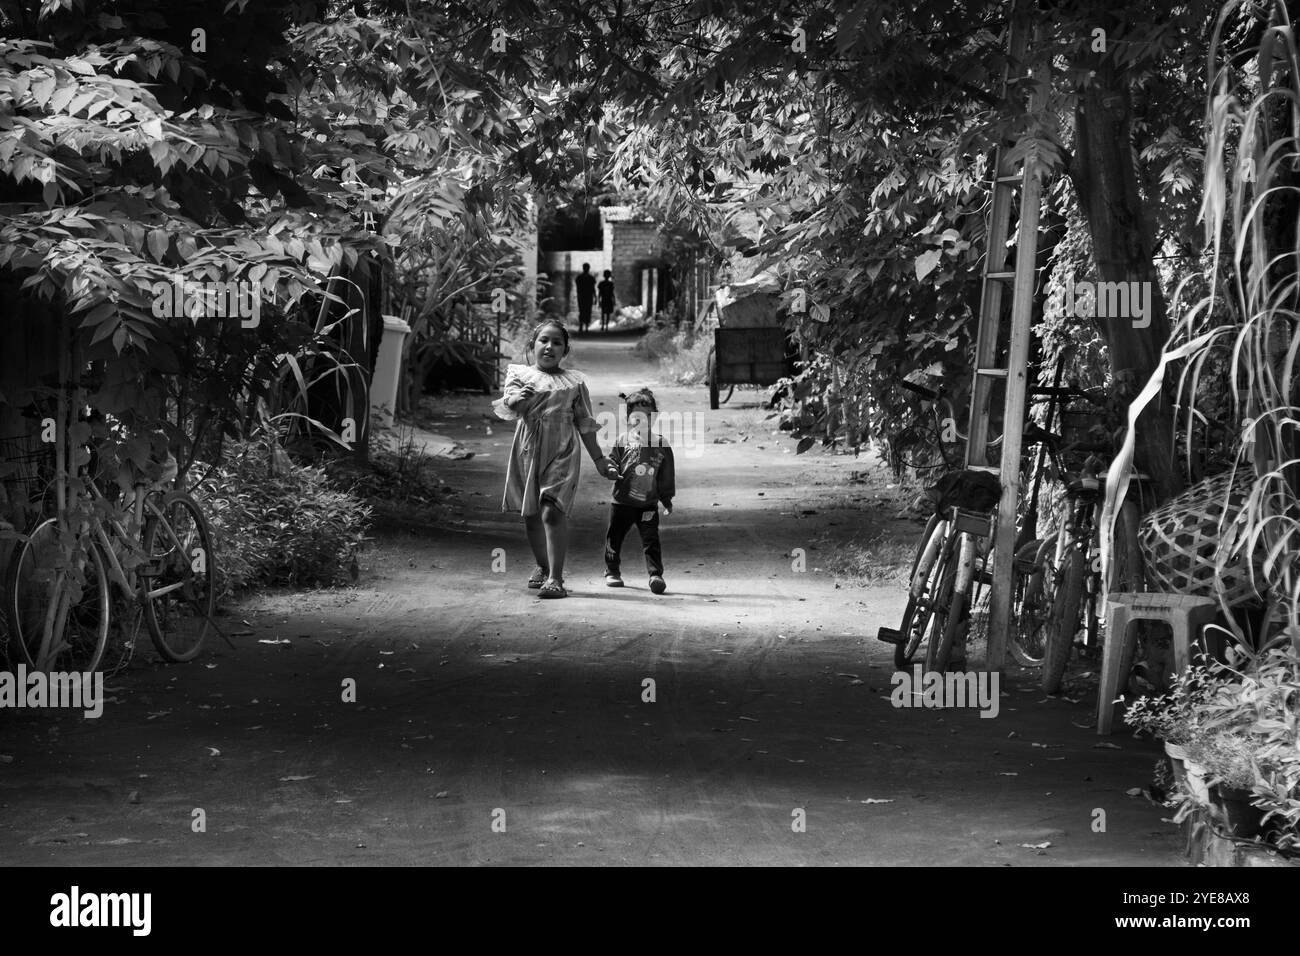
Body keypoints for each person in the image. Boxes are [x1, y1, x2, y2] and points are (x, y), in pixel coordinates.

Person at [493, 320, 617, 599]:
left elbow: (584, 423)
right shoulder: (518, 375)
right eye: (543, 341)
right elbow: (508, 405)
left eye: (557, 342)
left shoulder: (574, 382)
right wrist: (517, 399)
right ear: (532, 345)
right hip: (527, 448)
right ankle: (541, 565)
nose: (549, 347)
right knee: (531, 515)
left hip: (563, 449)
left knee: (552, 511)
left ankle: (555, 578)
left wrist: (600, 460)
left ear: (565, 350)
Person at [603, 388, 675, 594]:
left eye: (647, 416)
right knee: (614, 537)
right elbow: (613, 461)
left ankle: (655, 575)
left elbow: (666, 475)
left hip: (648, 504)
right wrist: (611, 470)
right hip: (621, 502)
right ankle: (611, 571)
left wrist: (667, 499)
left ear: (654, 417)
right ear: (628, 418)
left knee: (651, 539)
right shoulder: (622, 441)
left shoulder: (661, 444)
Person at [574, 262, 596, 333]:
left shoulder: (580, 278)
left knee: (584, 310)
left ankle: (583, 326)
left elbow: (592, 288)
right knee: (585, 310)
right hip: (586, 296)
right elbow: (592, 288)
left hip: (584, 296)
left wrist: (595, 296)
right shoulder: (590, 278)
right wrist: (595, 296)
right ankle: (584, 326)